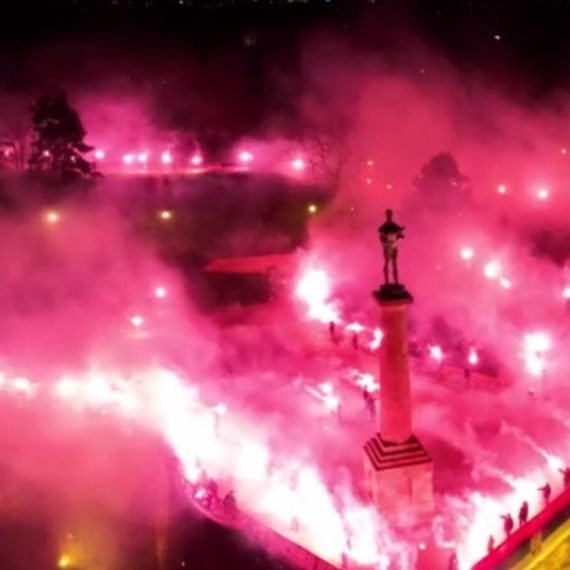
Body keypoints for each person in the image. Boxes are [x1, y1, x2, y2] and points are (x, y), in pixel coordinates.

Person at [378, 209, 405, 284]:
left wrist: (396, 239)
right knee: (387, 263)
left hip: (393, 247)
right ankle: (387, 282)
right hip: (387, 248)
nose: (389, 216)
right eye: (388, 215)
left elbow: (401, 237)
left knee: (394, 264)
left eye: (390, 215)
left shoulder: (394, 226)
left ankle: (396, 282)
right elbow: (381, 238)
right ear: (386, 216)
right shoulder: (384, 227)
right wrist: (386, 241)